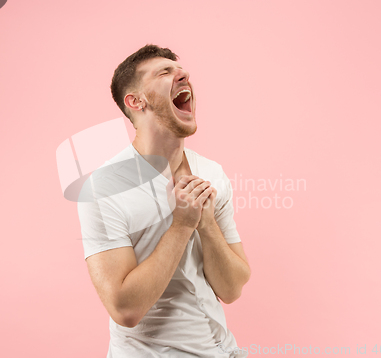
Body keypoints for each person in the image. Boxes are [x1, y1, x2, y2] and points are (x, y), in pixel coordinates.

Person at [77, 44, 251, 357]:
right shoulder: (103, 188)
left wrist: (206, 222)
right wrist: (183, 224)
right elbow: (125, 309)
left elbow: (233, 288)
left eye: (181, 70)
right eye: (164, 73)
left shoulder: (212, 173)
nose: (182, 74)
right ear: (135, 101)